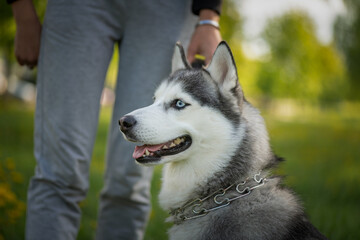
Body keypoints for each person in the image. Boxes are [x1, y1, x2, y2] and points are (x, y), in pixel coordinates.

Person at [9, 0, 222, 239]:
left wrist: (209, 16)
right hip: (77, 7)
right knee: (58, 172)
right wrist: (23, 12)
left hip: (166, 10)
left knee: (129, 180)